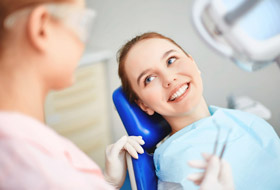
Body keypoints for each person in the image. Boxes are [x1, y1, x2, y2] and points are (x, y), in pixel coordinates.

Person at [0, 0, 144, 189]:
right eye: (81, 23)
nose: (82, 42)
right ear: (41, 28)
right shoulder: (34, 165)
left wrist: (107, 183)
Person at [117, 32, 280, 189]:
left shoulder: (241, 119)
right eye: (149, 79)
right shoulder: (178, 163)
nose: (169, 79)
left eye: (171, 60)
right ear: (144, 105)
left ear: (193, 63)